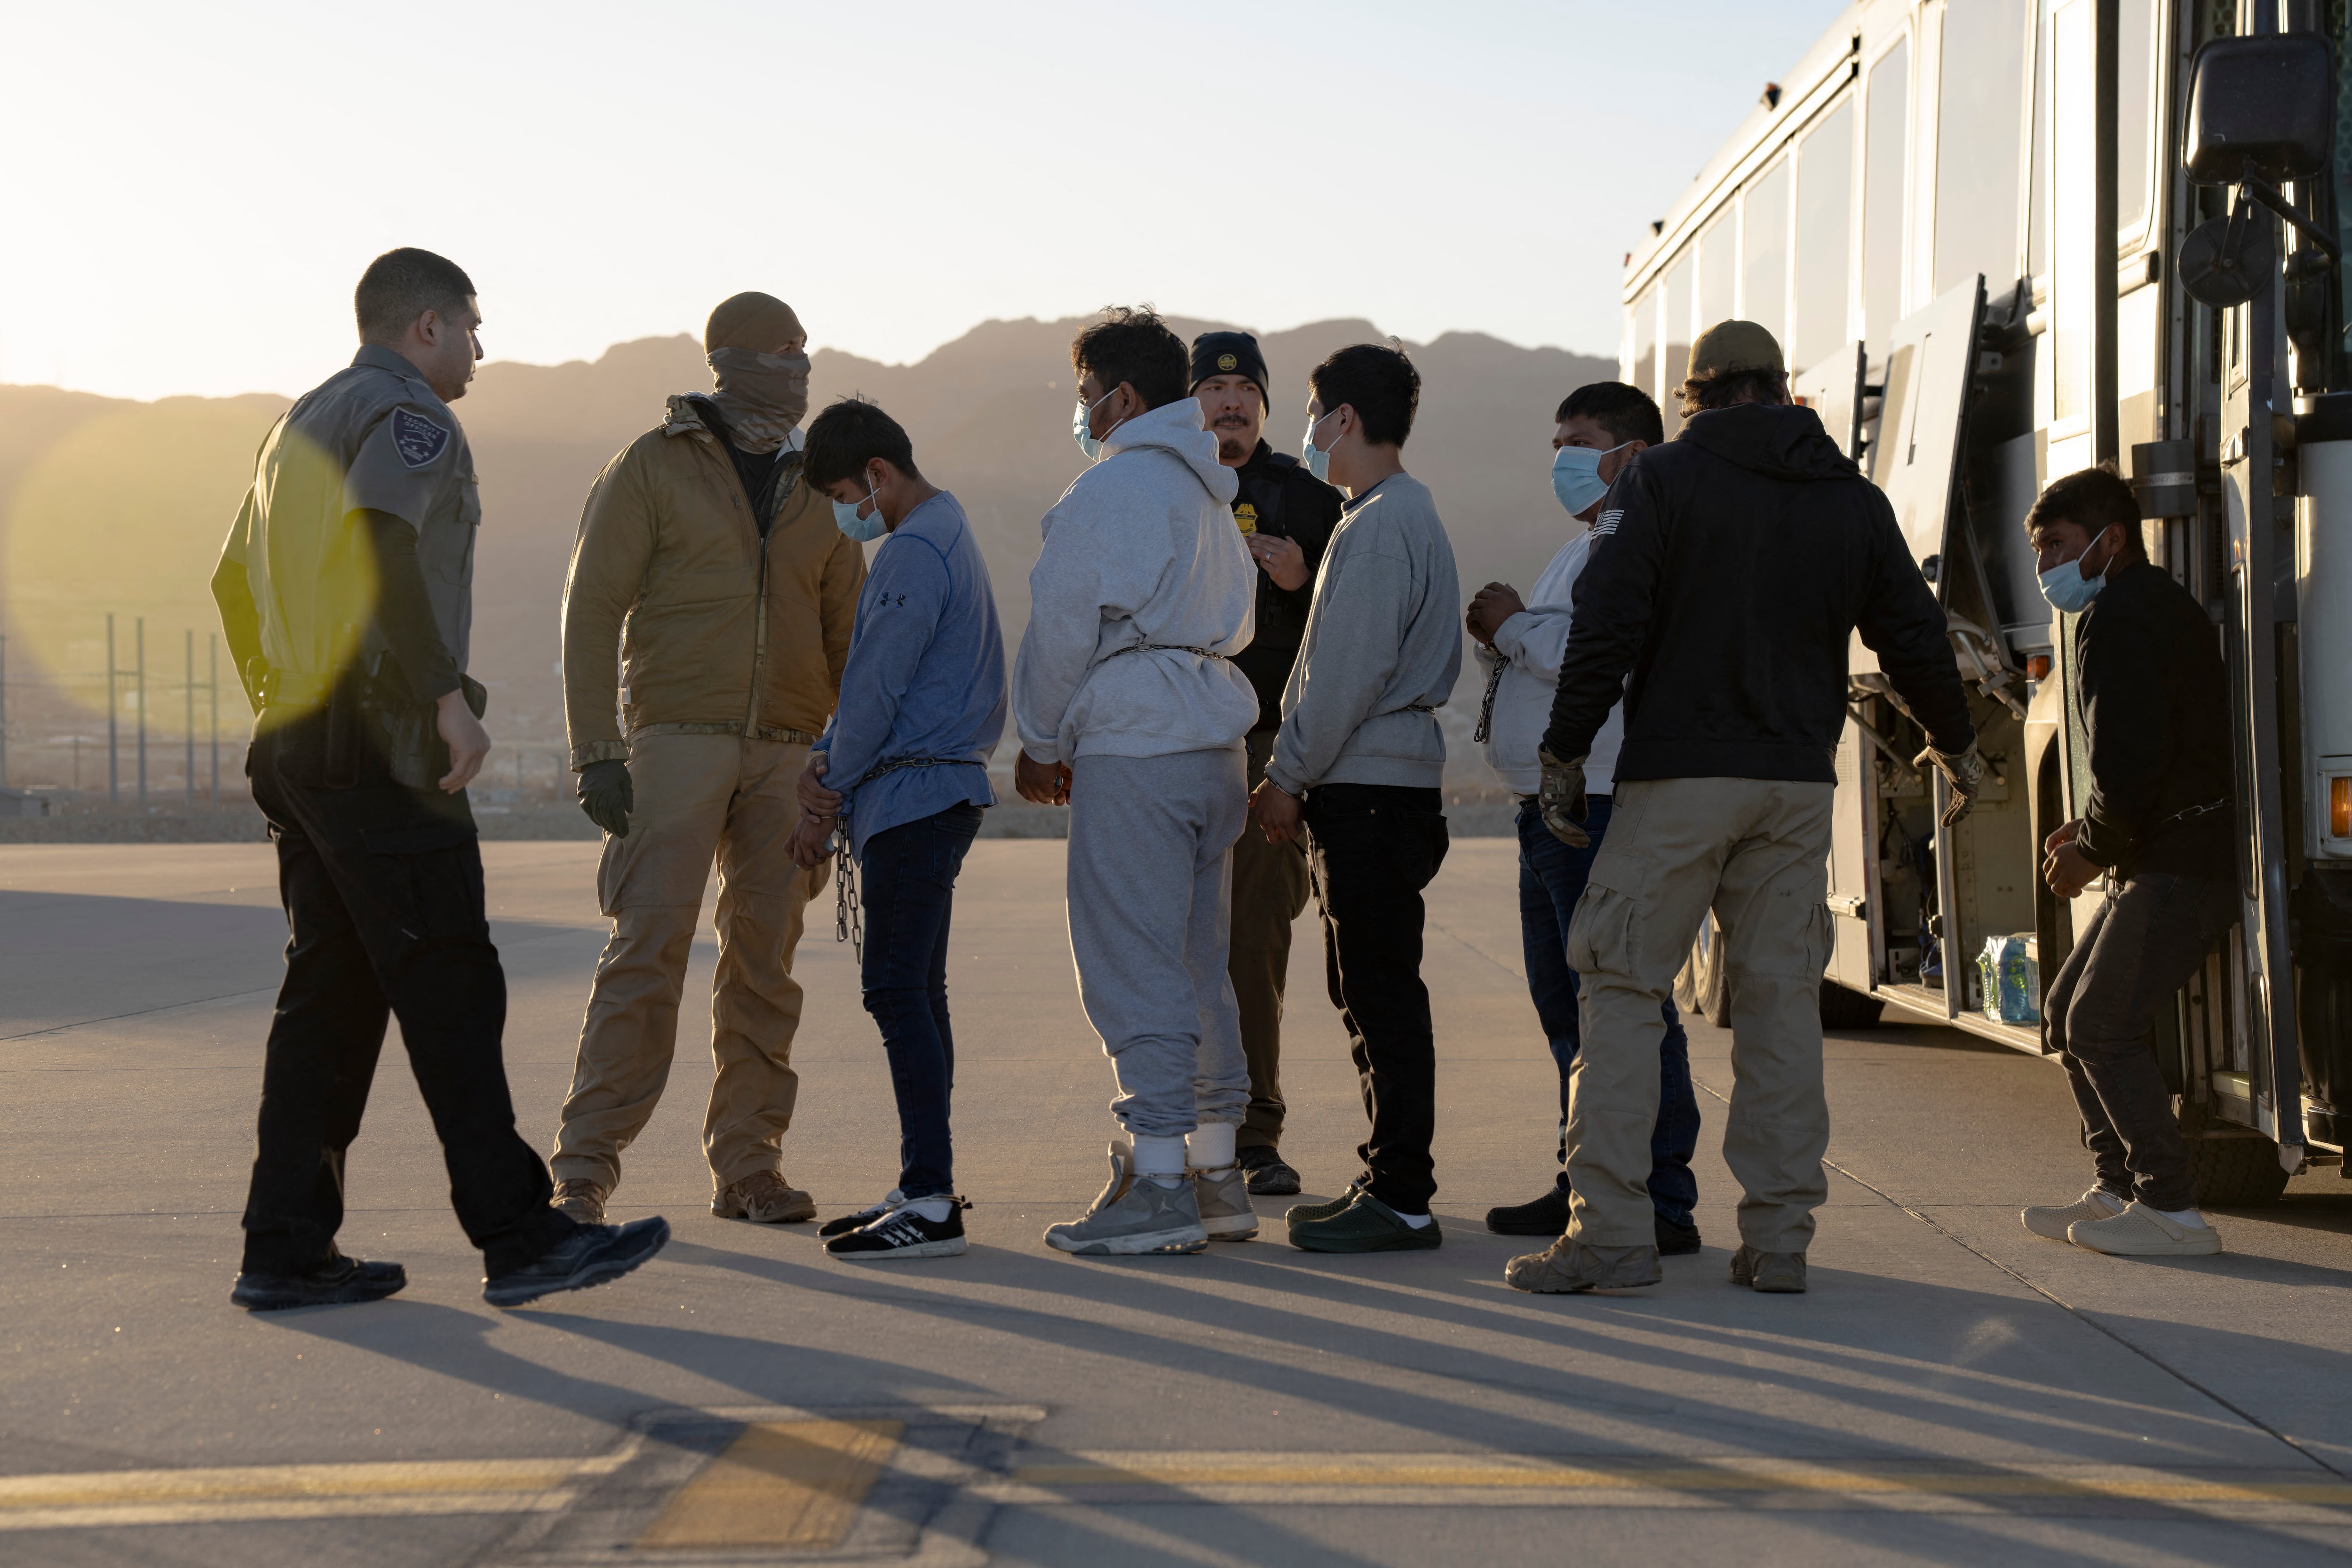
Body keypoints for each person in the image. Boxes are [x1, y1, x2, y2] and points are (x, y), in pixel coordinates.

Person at [211, 247, 669, 1311]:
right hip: (376, 743)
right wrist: (437, 696)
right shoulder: (408, 415)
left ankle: (283, 1244)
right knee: (451, 980)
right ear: (425, 325)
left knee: (331, 994)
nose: (477, 347)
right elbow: (382, 542)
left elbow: (233, 577)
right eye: (471, 325)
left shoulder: (297, 424)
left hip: (302, 737)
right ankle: (519, 1234)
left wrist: (282, 694)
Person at [1516, 319, 1980, 1297]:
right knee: (1779, 1005)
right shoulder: (1848, 497)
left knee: (1621, 987)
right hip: (1796, 785)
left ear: (1699, 398)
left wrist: (1563, 747)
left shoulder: (1664, 482)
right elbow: (1910, 631)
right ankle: (1777, 1239)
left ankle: (1609, 1233)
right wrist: (1955, 740)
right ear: (1775, 389)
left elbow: (1609, 623)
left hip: (1680, 778)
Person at [552, 292, 866, 1228]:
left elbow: (850, 630)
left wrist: (846, 761)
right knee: (645, 950)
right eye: (782, 349)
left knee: (766, 960)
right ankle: (583, 1170)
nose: (800, 365)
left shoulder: (824, 484)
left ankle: (750, 1165)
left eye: (806, 349)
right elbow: (590, 607)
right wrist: (597, 749)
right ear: (729, 359)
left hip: (788, 754)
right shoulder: (653, 466)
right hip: (673, 743)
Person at [1013, 306, 1261, 1257]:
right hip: (1213, 740)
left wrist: (1040, 738)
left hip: (1137, 742)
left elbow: (1061, 629)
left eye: (1087, 397)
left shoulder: (1108, 493)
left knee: (1132, 960)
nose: (1083, 415)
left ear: (1121, 397)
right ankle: (1214, 1173)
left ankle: (1156, 1183)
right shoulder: (1208, 492)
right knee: (1200, 962)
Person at [1468, 381, 1701, 1255]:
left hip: (1595, 801)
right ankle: (1589, 1178)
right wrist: (1507, 634)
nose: (1562, 457)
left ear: (1631, 453)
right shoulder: (1586, 543)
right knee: (1570, 1008)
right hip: (1551, 807)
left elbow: (1600, 653)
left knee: (1621, 1001)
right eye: (1557, 442)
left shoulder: (1639, 539)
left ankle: (1662, 1196)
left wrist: (1516, 626)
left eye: (1581, 440)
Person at [779, 398, 1008, 1261]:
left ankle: (932, 1197)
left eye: (845, 495)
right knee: (921, 990)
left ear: (876, 477)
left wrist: (822, 787)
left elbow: (875, 691)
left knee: (893, 990)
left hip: (913, 796)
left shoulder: (912, 548)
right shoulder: (947, 527)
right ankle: (923, 1182)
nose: (848, 516)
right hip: (936, 794)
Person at [1251, 342, 1462, 1255]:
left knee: (1378, 992)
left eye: (1311, 411)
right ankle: (1387, 1179)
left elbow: (1341, 674)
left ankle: (1401, 1193)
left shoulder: (1380, 525)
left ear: (1342, 418)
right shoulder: (1385, 514)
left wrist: (1286, 773)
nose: (1308, 432)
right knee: (1369, 988)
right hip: (1380, 784)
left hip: (1369, 790)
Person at [2019, 467, 2236, 1258]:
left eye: (2059, 546)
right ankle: (2115, 1190)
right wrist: (2096, 829)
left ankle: (2171, 1209)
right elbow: (2155, 754)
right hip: (2164, 850)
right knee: (2064, 1011)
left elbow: (2130, 764)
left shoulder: (2124, 616)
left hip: (2182, 862)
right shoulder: (2138, 605)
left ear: (2111, 540)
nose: (2047, 566)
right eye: (2040, 549)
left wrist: (2088, 849)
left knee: (2098, 1023)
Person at [1191, 330, 1343, 1197]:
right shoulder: (1166, 486)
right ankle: (1172, 1127)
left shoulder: (1308, 497)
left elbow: (1355, 613)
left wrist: (1301, 576)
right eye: (1214, 389)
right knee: (1165, 944)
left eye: (1246, 386)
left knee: (1253, 947)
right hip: (1174, 740)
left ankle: (1254, 1134)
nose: (1231, 400)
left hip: (1264, 749)